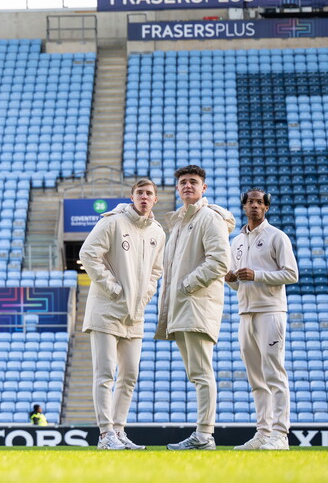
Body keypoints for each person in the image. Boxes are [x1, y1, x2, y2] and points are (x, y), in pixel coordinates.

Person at [79, 179, 165, 450]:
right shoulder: (113, 222)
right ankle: (105, 435)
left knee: (129, 375)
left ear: (155, 200)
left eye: (149, 193)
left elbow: (156, 271)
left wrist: (144, 295)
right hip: (105, 310)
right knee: (106, 373)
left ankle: (118, 430)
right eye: (140, 192)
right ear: (131, 196)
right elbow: (88, 254)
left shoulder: (158, 232)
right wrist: (114, 290)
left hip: (135, 314)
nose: (144, 196)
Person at [155, 165, 235, 451]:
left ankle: (204, 435)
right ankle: (202, 434)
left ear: (204, 188)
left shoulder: (208, 218)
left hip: (196, 305)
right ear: (178, 189)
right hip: (182, 307)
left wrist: (187, 285)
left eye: (194, 182)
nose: (188, 186)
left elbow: (219, 262)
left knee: (201, 372)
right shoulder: (178, 222)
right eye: (183, 182)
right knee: (197, 374)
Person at [227, 189, 298, 451]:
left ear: (266, 207)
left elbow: (291, 274)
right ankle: (263, 432)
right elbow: (239, 285)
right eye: (250, 202)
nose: (255, 205)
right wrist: (232, 281)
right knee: (256, 377)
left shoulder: (277, 236)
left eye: (259, 202)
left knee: (274, 373)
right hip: (245, 312)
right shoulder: (236, 242)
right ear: (244, 207)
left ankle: (280, 434)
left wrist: (257, 275)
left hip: (271, 310)